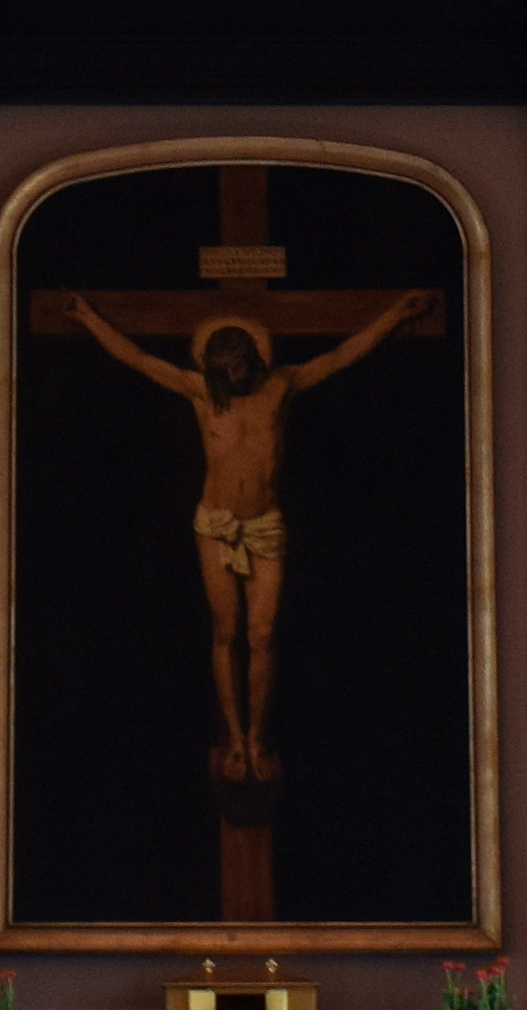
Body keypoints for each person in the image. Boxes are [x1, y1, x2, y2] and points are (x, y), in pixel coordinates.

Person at [74, 298, 422, 819]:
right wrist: (88, 319)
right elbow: (139, 359)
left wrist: (395, 316)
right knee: (226, 630)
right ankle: (233, 740)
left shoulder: (280, 386)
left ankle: (258, 739)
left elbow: (345, 354)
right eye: (229, 373)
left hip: (264, 525)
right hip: (215, 525)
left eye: (243, 371)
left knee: (262, 634)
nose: (238, 379)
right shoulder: (199, 391)